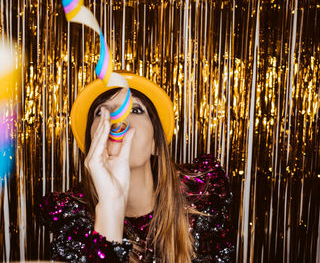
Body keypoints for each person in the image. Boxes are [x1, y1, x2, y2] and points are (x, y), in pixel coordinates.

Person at [39, 72, 234, 262]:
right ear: (92, 143)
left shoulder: (201, 197)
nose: (118, 119)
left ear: (156, 144)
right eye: (102, 112)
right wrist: (111, 204)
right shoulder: (74, 220)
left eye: (135, 109)